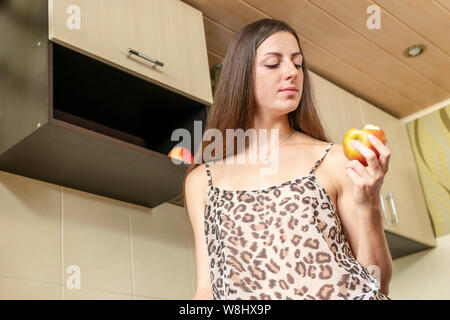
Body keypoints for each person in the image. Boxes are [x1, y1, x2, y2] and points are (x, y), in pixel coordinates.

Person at [183, 18, 392, 300]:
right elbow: (207, 290)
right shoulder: (202, 181)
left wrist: (369, 205)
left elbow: (375, 285)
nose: (292, 71)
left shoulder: (333, 160)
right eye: (273, 63)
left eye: (297, 63)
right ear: (240, 76)